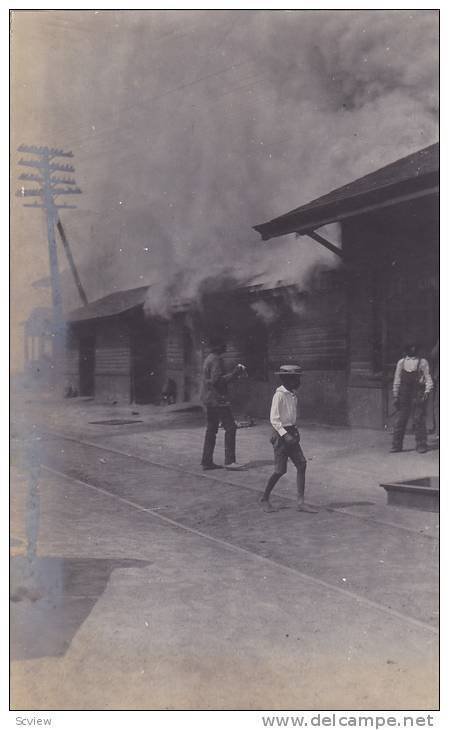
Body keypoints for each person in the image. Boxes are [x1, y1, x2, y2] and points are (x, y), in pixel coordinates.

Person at [260, 364, 318, 513]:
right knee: (280, 470)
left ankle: (300, 502)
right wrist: (285, 435)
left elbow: (292, 417)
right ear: (287, 379)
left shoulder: (293, 395)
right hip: (281, 436)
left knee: (302, 464)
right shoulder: (279, 395)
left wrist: (294, 431)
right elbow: (274, 419)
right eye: (296, 379)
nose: (298, 382)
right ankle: (265, 498)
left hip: (292, 433)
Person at [200, 337, 247, 471]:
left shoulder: (209, 358)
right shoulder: (216, 359)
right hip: (218, 400)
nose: (225, 347)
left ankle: (206, 461)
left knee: (211, 430)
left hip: (209, 399)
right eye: (223, 344)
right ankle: (230, 461)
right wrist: (235, 373)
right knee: (231, 428)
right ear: (218, 346)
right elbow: (217, 381)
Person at [391, 343, 433, 454]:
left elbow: (428, 378)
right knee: (400, 419)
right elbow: (397, 379)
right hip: (404, 394)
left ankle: (421, 444)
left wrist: (427, 391)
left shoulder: (422, 362)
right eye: (410, 348)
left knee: (418, 419)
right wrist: (395, 394)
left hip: (417, 394)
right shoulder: (401, 362)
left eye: (415, 348)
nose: (412, 350)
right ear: (406, 349)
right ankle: (396, 445)